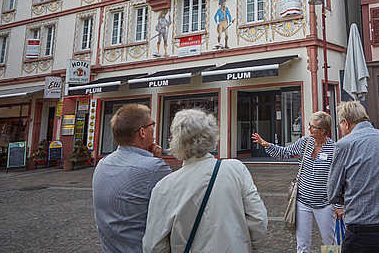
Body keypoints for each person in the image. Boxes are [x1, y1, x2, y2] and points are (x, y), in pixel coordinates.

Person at [143, 109, 267, 253]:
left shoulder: (164, 187)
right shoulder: (236, 169)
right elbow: (258, 220)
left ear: (176, 140)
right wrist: (248, 247)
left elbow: (154, 245)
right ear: (211, 134)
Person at [252, 111, 342, 253]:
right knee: (302, 244)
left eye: (313, 127)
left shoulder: (334, 149)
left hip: (324, 204)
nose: (309, 129)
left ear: (323, 131)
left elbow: (338, 178)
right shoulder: (305, 142)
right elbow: (285, 153)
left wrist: (338, 205)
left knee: (330, 242)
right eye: (309, 125)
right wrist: (266, 145)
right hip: (302, 202)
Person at [328, 101, 379, 253]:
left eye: (340, 126)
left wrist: (355, 194)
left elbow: (332, 193)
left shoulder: (344, 144)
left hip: (362, 231)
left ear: (345, 123)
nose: (340, 130)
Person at [92, 104, 171, 253]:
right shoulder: (154, 167)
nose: (154, 130)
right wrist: (157, 160)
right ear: (142, 132)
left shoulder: (102, 164)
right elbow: (173, 213)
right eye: (152, 125)